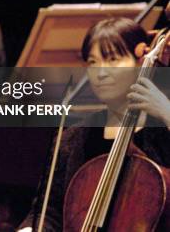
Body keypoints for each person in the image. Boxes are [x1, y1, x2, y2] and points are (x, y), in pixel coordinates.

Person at [18, 17, 170, 232]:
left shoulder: (163, 130)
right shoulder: (73, 136)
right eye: (92, 62)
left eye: (113, 59)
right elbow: (48, 212)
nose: (101, 72)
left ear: (140, 62)